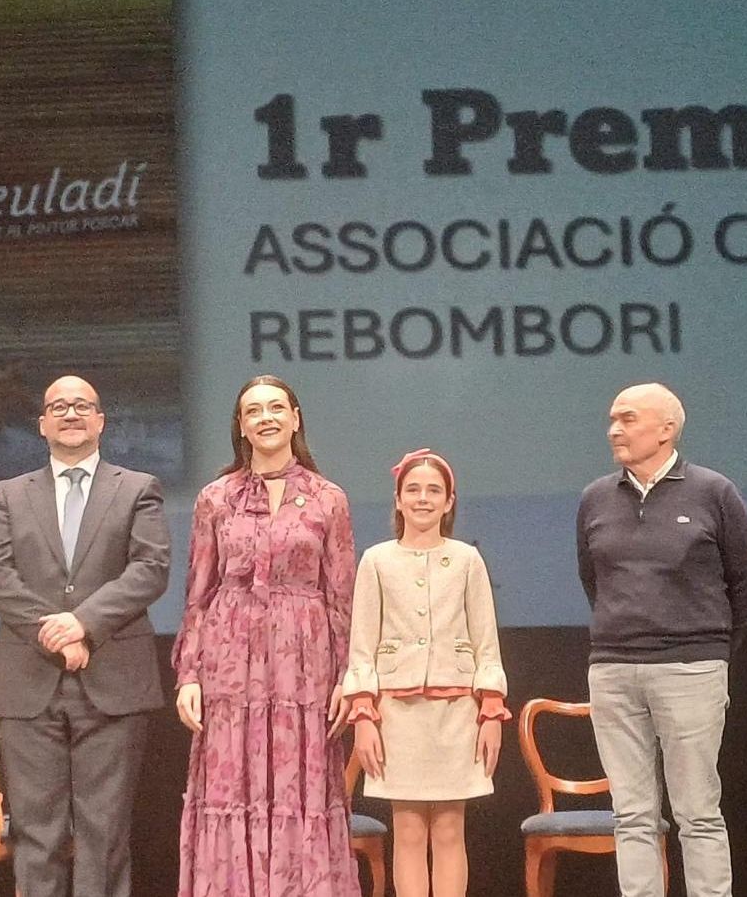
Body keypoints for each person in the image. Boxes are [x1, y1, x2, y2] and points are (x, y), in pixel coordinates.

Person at [0, 375, 171, 897]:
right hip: (30, 682)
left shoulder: (137, 488)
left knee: (103, 834)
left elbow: (150, 569)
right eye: (58, 407)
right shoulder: (9, 494)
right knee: (36, 834)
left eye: (81, 406)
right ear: (41, 424)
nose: (70, 414)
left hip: (114, 681)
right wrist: (56, 632)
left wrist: (83, 622)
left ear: (101, 421)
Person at [172, 374, 360, 897]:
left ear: (296, 418)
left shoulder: (328, 499)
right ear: (241, 425)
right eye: (254, 410)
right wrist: (189, 673)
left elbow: (341, 596)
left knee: (303, 789)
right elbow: (198, 593)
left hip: (306, 666)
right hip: (229, 666)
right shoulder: (215, 499)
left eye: (277, 407)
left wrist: (348, 676)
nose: (266, 417)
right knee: (231, 787)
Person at [576, 383, 747, 897]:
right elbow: (594, 581)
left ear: (667, 428)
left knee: (697, 812)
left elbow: (746, 586)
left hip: (691, 669)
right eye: (612, 419)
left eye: (628, 419)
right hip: (613, 670)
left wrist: (707, 649)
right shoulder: (595, 498)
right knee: (631, 814)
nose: (615, 429)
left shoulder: (713, 492)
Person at [343, 450, 508, 897]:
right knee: (410, 831)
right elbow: (361, 645)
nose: (422, 498)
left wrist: (491, 710)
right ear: (397, 500)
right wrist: (363, 716)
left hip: (457, 713)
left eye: (434, 490)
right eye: (412, 489)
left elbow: (485, 640)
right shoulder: (376, 561)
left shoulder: (467, 560)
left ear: (449, 501)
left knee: (451, 830)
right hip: (398, 713)